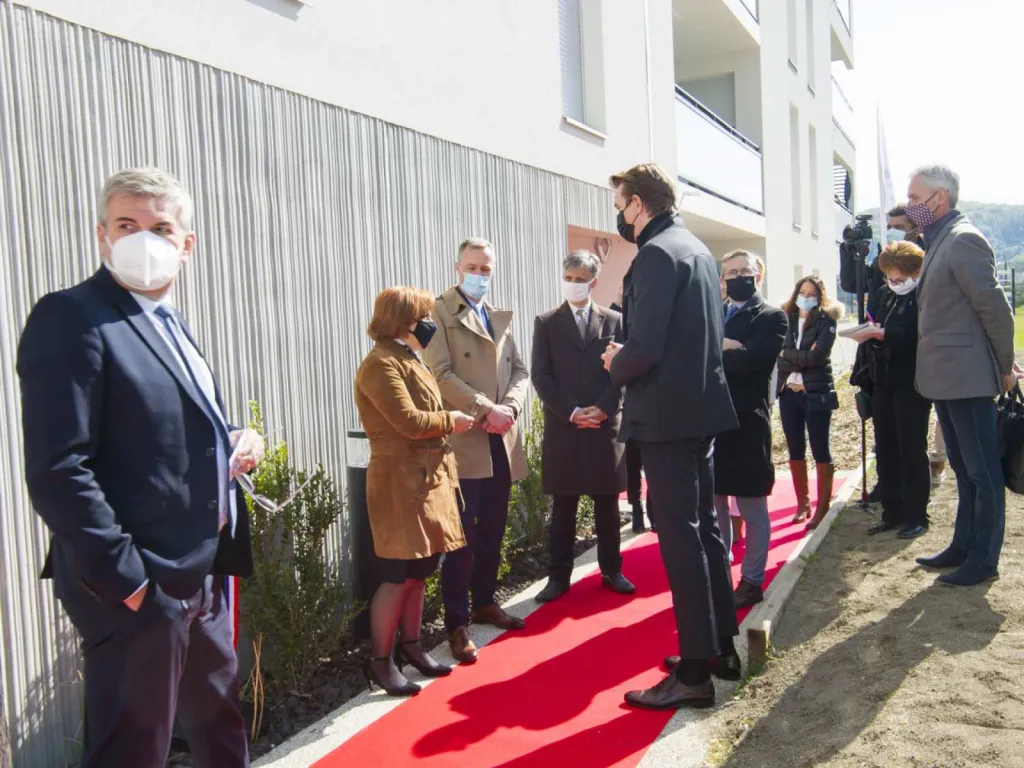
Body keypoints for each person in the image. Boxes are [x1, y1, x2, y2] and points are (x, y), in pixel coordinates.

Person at [17, 168, 263, 767]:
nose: (143, 239)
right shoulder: (72, 317)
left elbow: (158, 429)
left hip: (201, 573)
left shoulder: (171, 324)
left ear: (187, 244)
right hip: (139, 585)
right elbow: (57, 466)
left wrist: (232, 437)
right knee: (133, 748)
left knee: (219, 727)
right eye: (127, 224)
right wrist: (129, 583)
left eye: (160, 227)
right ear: (102, 235)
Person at [601, 163, 739, 711]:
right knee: (704, 531)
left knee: (679, 536)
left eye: (619, 202)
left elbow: (646, 346)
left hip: (666, 417)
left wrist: (616, 361)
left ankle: (695, 674)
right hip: (698, 411)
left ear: (637, 203)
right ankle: (719, 647)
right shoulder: (696, 249)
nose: (617, 213)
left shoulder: (657, 254)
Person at [354, 287, 475, 696]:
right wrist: (450, 419)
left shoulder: (408, 359)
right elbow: (407, 420)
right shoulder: (379, 363)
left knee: (420, 573)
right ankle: (381, 661)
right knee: (396, 575)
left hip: (426, 480)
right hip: (399, 485)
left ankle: (413, 647)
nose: (427, 323)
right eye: (421, 316)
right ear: (402, 319)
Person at [423, 238, 530, 662]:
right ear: (456, 267)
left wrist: (512, 407)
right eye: (473, 267)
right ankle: (457, 622)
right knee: (462, 535)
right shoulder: (438, 312)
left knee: (493, 527)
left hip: (501, 436)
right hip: (466, 436)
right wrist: (487, 409)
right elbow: (439, 373)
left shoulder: (497, 315)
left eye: (486, 269)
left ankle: (485, 599)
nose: (480, 275)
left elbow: (519, 369)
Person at [909, 165, 1015, 587]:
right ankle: (963, 546)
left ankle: (983, 559)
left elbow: (996, 311)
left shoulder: (963, 239)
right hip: (946, 378)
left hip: (969, 378)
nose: (911, 205)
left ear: (939, 198)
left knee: (983, 472)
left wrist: (1005, 366)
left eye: (916, 198)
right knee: (964, 468)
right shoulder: (940, 241)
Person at [531, 250, 635, 603]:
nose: (574, 284)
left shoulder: (614, 321)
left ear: (594, 281)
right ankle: (558, 578)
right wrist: (572, 412)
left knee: (607, 504)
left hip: (604, 427)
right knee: (563, 508)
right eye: (569, 277)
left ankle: (612, 570)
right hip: (565, 427)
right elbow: (541, 376)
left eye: (581, 278)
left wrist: (604, 409)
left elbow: (623, 372)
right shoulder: (546, 322)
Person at [712, 250, 788, 609]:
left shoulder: (772, 316)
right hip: (710, 422)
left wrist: (721, 351)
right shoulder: (711, 313)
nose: (738, 276)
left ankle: (752, 580)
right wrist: (730, 347)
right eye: (731, 272)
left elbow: (754, 361)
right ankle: (718, 571)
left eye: (745, 271)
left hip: (747, 424)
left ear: (758, 274)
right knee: (716, 506)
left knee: (752, 508)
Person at [848, 241, 931, 539]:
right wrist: (868, 333)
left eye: (899, 279)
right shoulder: (885, 295)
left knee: (911, 448)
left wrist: (887, 334)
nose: (893, 284)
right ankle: (892, 512)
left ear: (916, 273)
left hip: (913, 383)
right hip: (882, 379)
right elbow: (874, 320)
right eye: (889, 278)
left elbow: (924, 337)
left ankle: (916, 514)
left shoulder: (925, 295)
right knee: (885, 447)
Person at [887, 204, 947, 488]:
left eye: (899, 226)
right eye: (890, 226)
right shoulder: (890, 285)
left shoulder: (925, 285)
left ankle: (936, 466)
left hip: (926, 371)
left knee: (921, 437)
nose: (893, 231)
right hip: (896, 376)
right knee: (899, 442)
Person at [777, 275, 843, 530]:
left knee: (820, 447)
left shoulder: (827, 320)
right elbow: (778, 354)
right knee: (795, 447)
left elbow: (818, 357)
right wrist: (797, 355)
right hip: (788, 392)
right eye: (802, 291)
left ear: (820, 296)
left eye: (811, 292)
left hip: (816, 393)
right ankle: (802, 503)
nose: (806, 296)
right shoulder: (786, 318)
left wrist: (789, 354)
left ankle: (822, 506)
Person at [610, 282, 653, 533]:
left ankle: (653, 509)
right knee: (632, 462)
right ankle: (636, 509)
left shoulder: (650, 318)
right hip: (626, 402)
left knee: (652, 461)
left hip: (651, 400)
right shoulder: (616, 318)